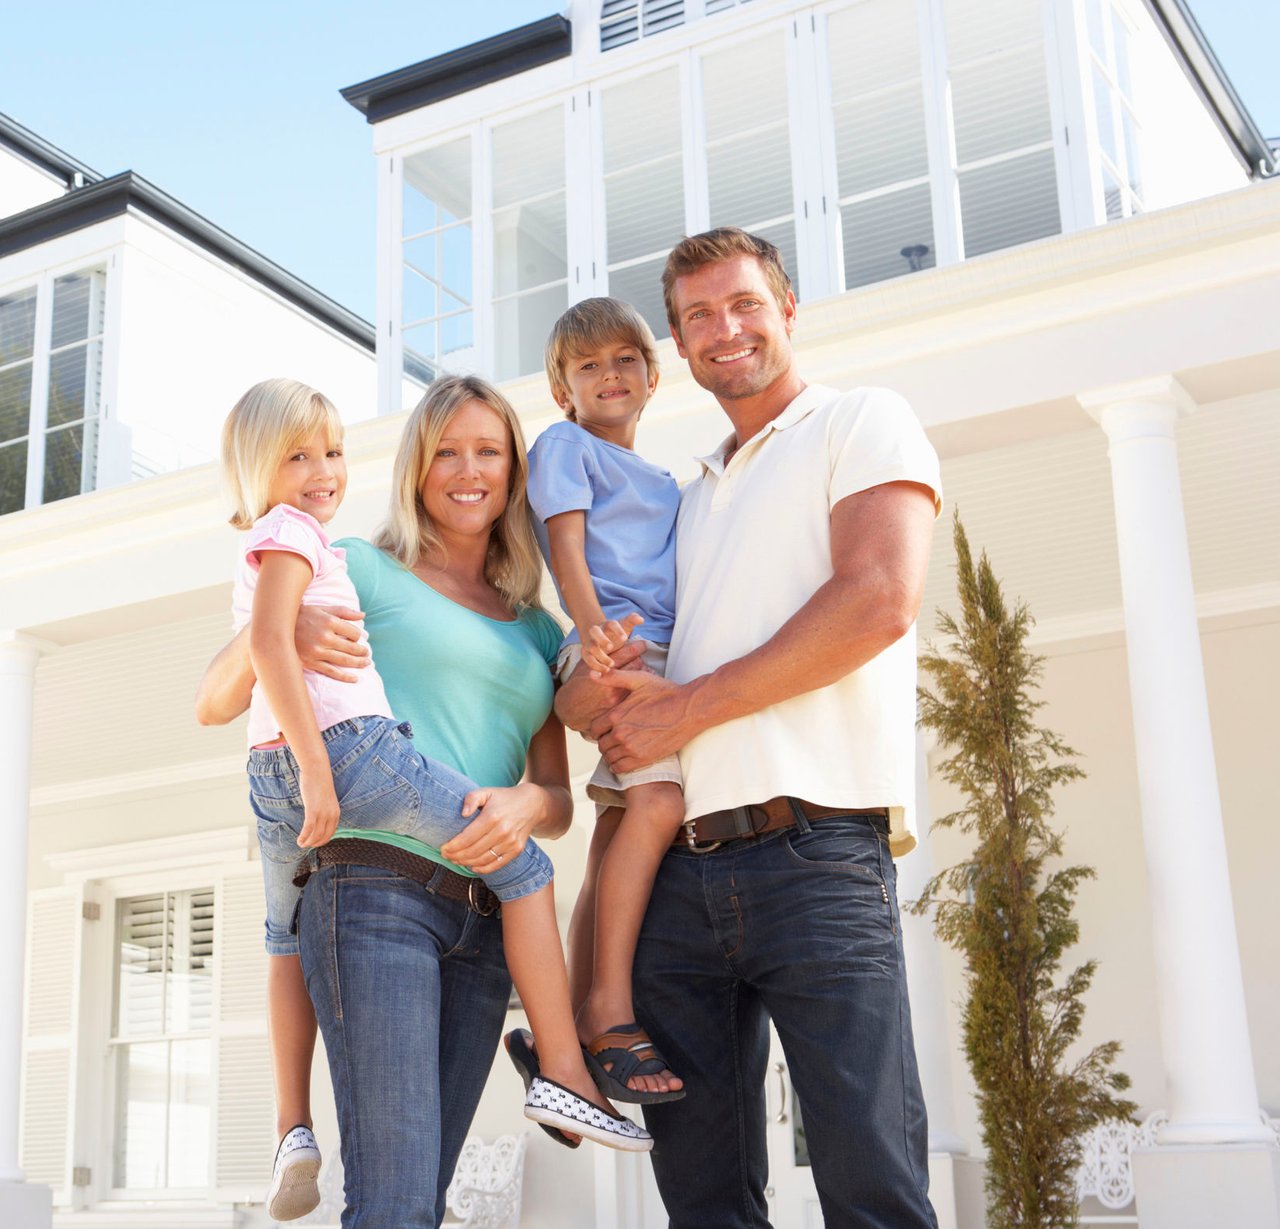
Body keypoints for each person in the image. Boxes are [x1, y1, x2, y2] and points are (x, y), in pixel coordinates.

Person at [557, 228, 943, 1228]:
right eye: (696, 317)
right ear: (678, 347)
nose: (722, 329)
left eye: (742, 304)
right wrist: (586, 689)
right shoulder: (680, 500)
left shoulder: (859, 421)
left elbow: (876, 599)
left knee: (870, 1180)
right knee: (705, 1201)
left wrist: (686, 705)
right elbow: (609, 677)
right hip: (673, 879)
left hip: (815, 853)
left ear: (787, 310)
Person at [197, 375, 645, 1229]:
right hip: (374, 894)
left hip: (483, 922)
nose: (468, 470)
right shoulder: (357, 564)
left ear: (514, 472)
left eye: (489, 451)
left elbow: (555, 794)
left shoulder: (535, 628)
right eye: (447, 450)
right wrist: (278, 633)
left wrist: (523, 805)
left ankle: (558, 1078)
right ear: (416, 467)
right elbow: (215, 701)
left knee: (418, 1205)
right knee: (395, 1202)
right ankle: (561, 1074)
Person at [524, 298, 687, 1104]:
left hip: (660, 655)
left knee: (621, 822)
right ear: (564, 391)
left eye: (624, 359)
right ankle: (609, 1009)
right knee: (657, 803)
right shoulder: (564, 445)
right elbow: (567, 548)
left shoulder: (666, 479)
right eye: (586, 366)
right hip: (615, 646)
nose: (608, 375)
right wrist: (593, 632)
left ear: (652, 377)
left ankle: (569, 1027)